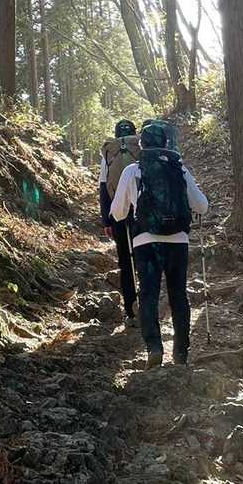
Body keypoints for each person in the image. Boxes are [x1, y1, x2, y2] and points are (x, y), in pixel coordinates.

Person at [108, 119, 208, 367]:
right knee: (178, 295)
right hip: (178, 240)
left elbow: (118, 213)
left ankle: (154, 348)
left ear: (141, 145)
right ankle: (181, 353)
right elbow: (202, 206)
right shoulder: (179, 168)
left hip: (145, 241)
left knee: (148, 294)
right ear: (165, 143)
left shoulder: (132, 170)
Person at [100, 119, 141, 325]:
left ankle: (131, 311)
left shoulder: (110, 153)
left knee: (125, 261)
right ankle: (148, 305)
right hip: (141, 211)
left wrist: (106, 221)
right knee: (143, 257)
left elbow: (103, 188)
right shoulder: (140, 149)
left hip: (118, 212)